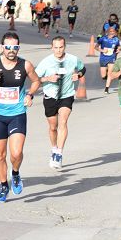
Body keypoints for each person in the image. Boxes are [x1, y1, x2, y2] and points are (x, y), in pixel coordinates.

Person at [0, 32, 41, 203]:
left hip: (17, 114)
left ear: (18, 48)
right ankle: (4, 187)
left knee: (16, 153)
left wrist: (30, 94)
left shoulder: (25, 65)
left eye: (14, 47)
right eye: (8, 47)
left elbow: (36, 81)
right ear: (2, 48)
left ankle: (15, 173)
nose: (11, 50)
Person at [34, 36, 85, 169]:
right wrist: (48, 78)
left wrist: (78, 75)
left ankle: (59, 153)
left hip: (67, 95)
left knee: (63, 122)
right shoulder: (46, 62)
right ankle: (54, 148)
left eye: (61, 47)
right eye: (55, 47)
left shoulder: (73, 59)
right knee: (53, 127)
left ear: (65, 47)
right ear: (52, 48)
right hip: (50, 96)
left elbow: (82, 68)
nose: (58, 50)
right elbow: (35, 79)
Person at [95, 26, 121, 93]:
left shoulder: (116, 39)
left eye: (113, 31)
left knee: (110, 73)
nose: (112, 33)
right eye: (110, 31)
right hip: (103, 58)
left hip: (112, 57)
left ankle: (106, 88)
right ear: (107, 32)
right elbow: (96, 47)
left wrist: (119, 49)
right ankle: (107, 75)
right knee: (103, 76)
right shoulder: (103, 39)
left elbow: (119, 46)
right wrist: (102, 50)